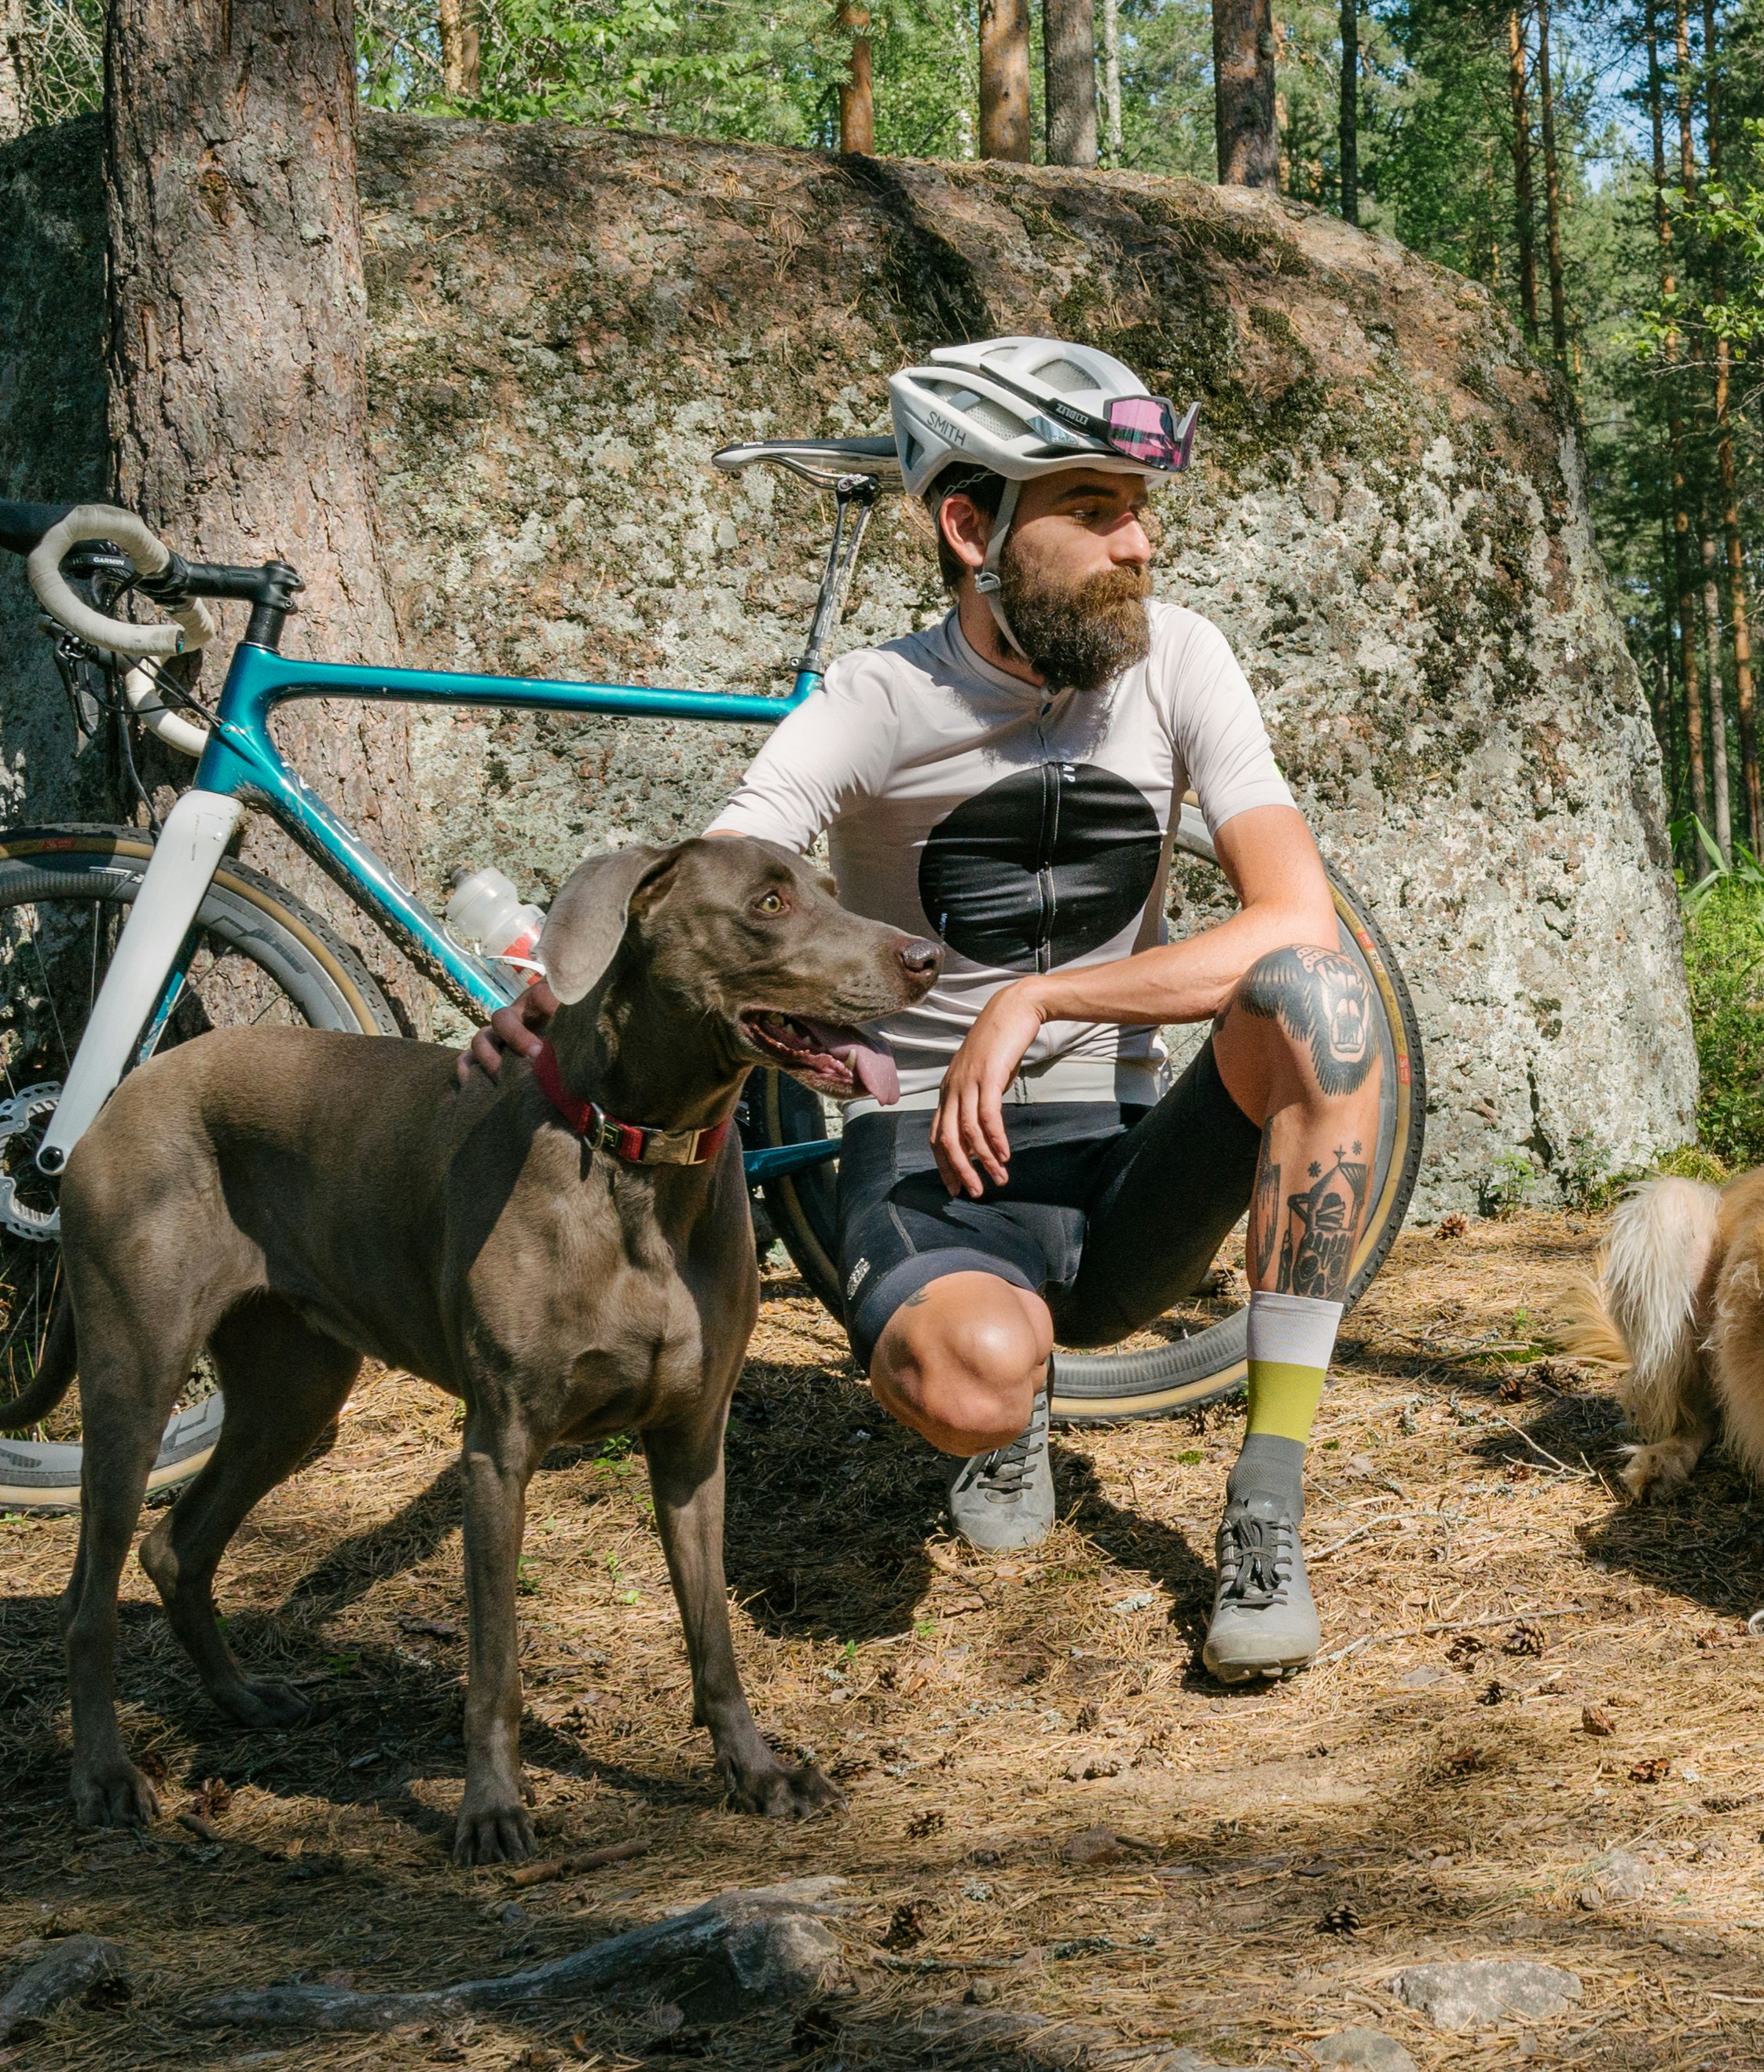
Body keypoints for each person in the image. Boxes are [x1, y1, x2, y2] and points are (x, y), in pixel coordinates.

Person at [463, 337, 1384, 1681]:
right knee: (971, 1384)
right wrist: (566, 995)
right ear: (971, 525)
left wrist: (1039, 998)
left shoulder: (1181, 659)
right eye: (1093, 508)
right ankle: (1004, 1401)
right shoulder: (879, 699)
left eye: (1141, 509)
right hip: (928, 1159)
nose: (1139, 544)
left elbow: (1294, 918)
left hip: (1120, 1157)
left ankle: (1267, 1498)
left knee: (1318, 995)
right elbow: (713, 887)